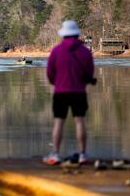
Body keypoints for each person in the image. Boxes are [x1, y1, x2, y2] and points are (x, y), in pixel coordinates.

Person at [44, 20, 95, 165]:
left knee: (58, 122)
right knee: (80, 121)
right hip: (79, 92)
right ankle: (83, 154)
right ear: (77, 34)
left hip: (61, 91)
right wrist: (81, 84)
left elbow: (50, 73)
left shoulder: (56, 51)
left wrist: (57, 83)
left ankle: (55, 154)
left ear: (64, 34)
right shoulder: (85, 52)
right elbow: (89, 73)